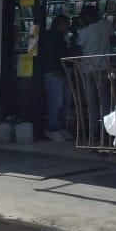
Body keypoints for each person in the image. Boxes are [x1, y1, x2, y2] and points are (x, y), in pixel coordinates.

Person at [77, 5, 114, 144]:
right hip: (104, 68)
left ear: (86, 17)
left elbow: (78, 49)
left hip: (87, 69)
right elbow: (114, 39)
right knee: (104, 103)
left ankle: (94, 135)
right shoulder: (106, 25)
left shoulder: (84, 32)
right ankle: (106, 132)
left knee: (91, 104)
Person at [40, 14, 72, 142]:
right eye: (66, 24)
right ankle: (52, 128)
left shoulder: (60, 37)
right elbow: (51, 55)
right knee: (56, 102)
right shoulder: (52, 38)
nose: (68, 27)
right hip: (54, 71)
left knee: (64, 101)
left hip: (61, 71)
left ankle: (59, 127)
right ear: (59, 24)